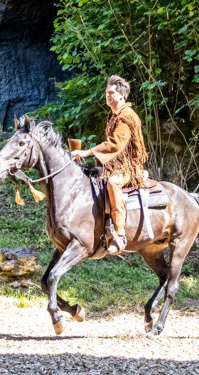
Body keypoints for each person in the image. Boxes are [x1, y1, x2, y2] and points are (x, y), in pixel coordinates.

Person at [71, 75, 148, 253]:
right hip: (114, 165)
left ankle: (119, 235)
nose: (107, 96)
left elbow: (115, 144)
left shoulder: (127, 117)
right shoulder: (114, 115)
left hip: (129, 167)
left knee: (113, 183)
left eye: (111, 93)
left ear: (122, 95)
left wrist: (87, 152)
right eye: (106, 93)